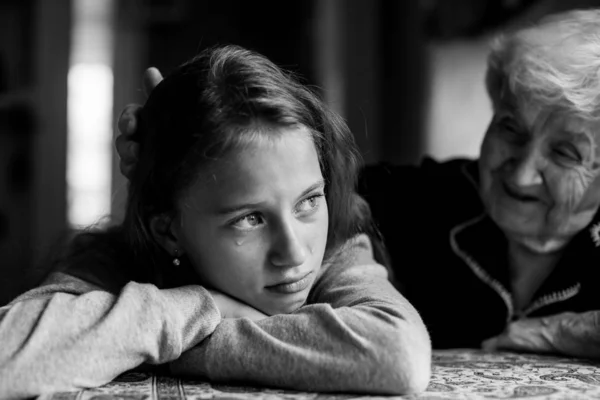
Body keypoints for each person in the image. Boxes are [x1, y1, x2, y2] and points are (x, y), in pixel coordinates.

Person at [116, 8, 600, 359]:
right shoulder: (416, 198)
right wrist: (188, 156)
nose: (520, 171)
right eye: (511, 129)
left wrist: (556, 333)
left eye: (564, 152)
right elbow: (279, 191)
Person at [0, 45, 431, 398]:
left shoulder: (336, 248)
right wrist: (199, 306)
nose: (296, 252)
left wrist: (177, 344)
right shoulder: (116, 262)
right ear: (168, 231)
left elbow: (397, 355)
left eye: (308, 201)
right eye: (251, 218)